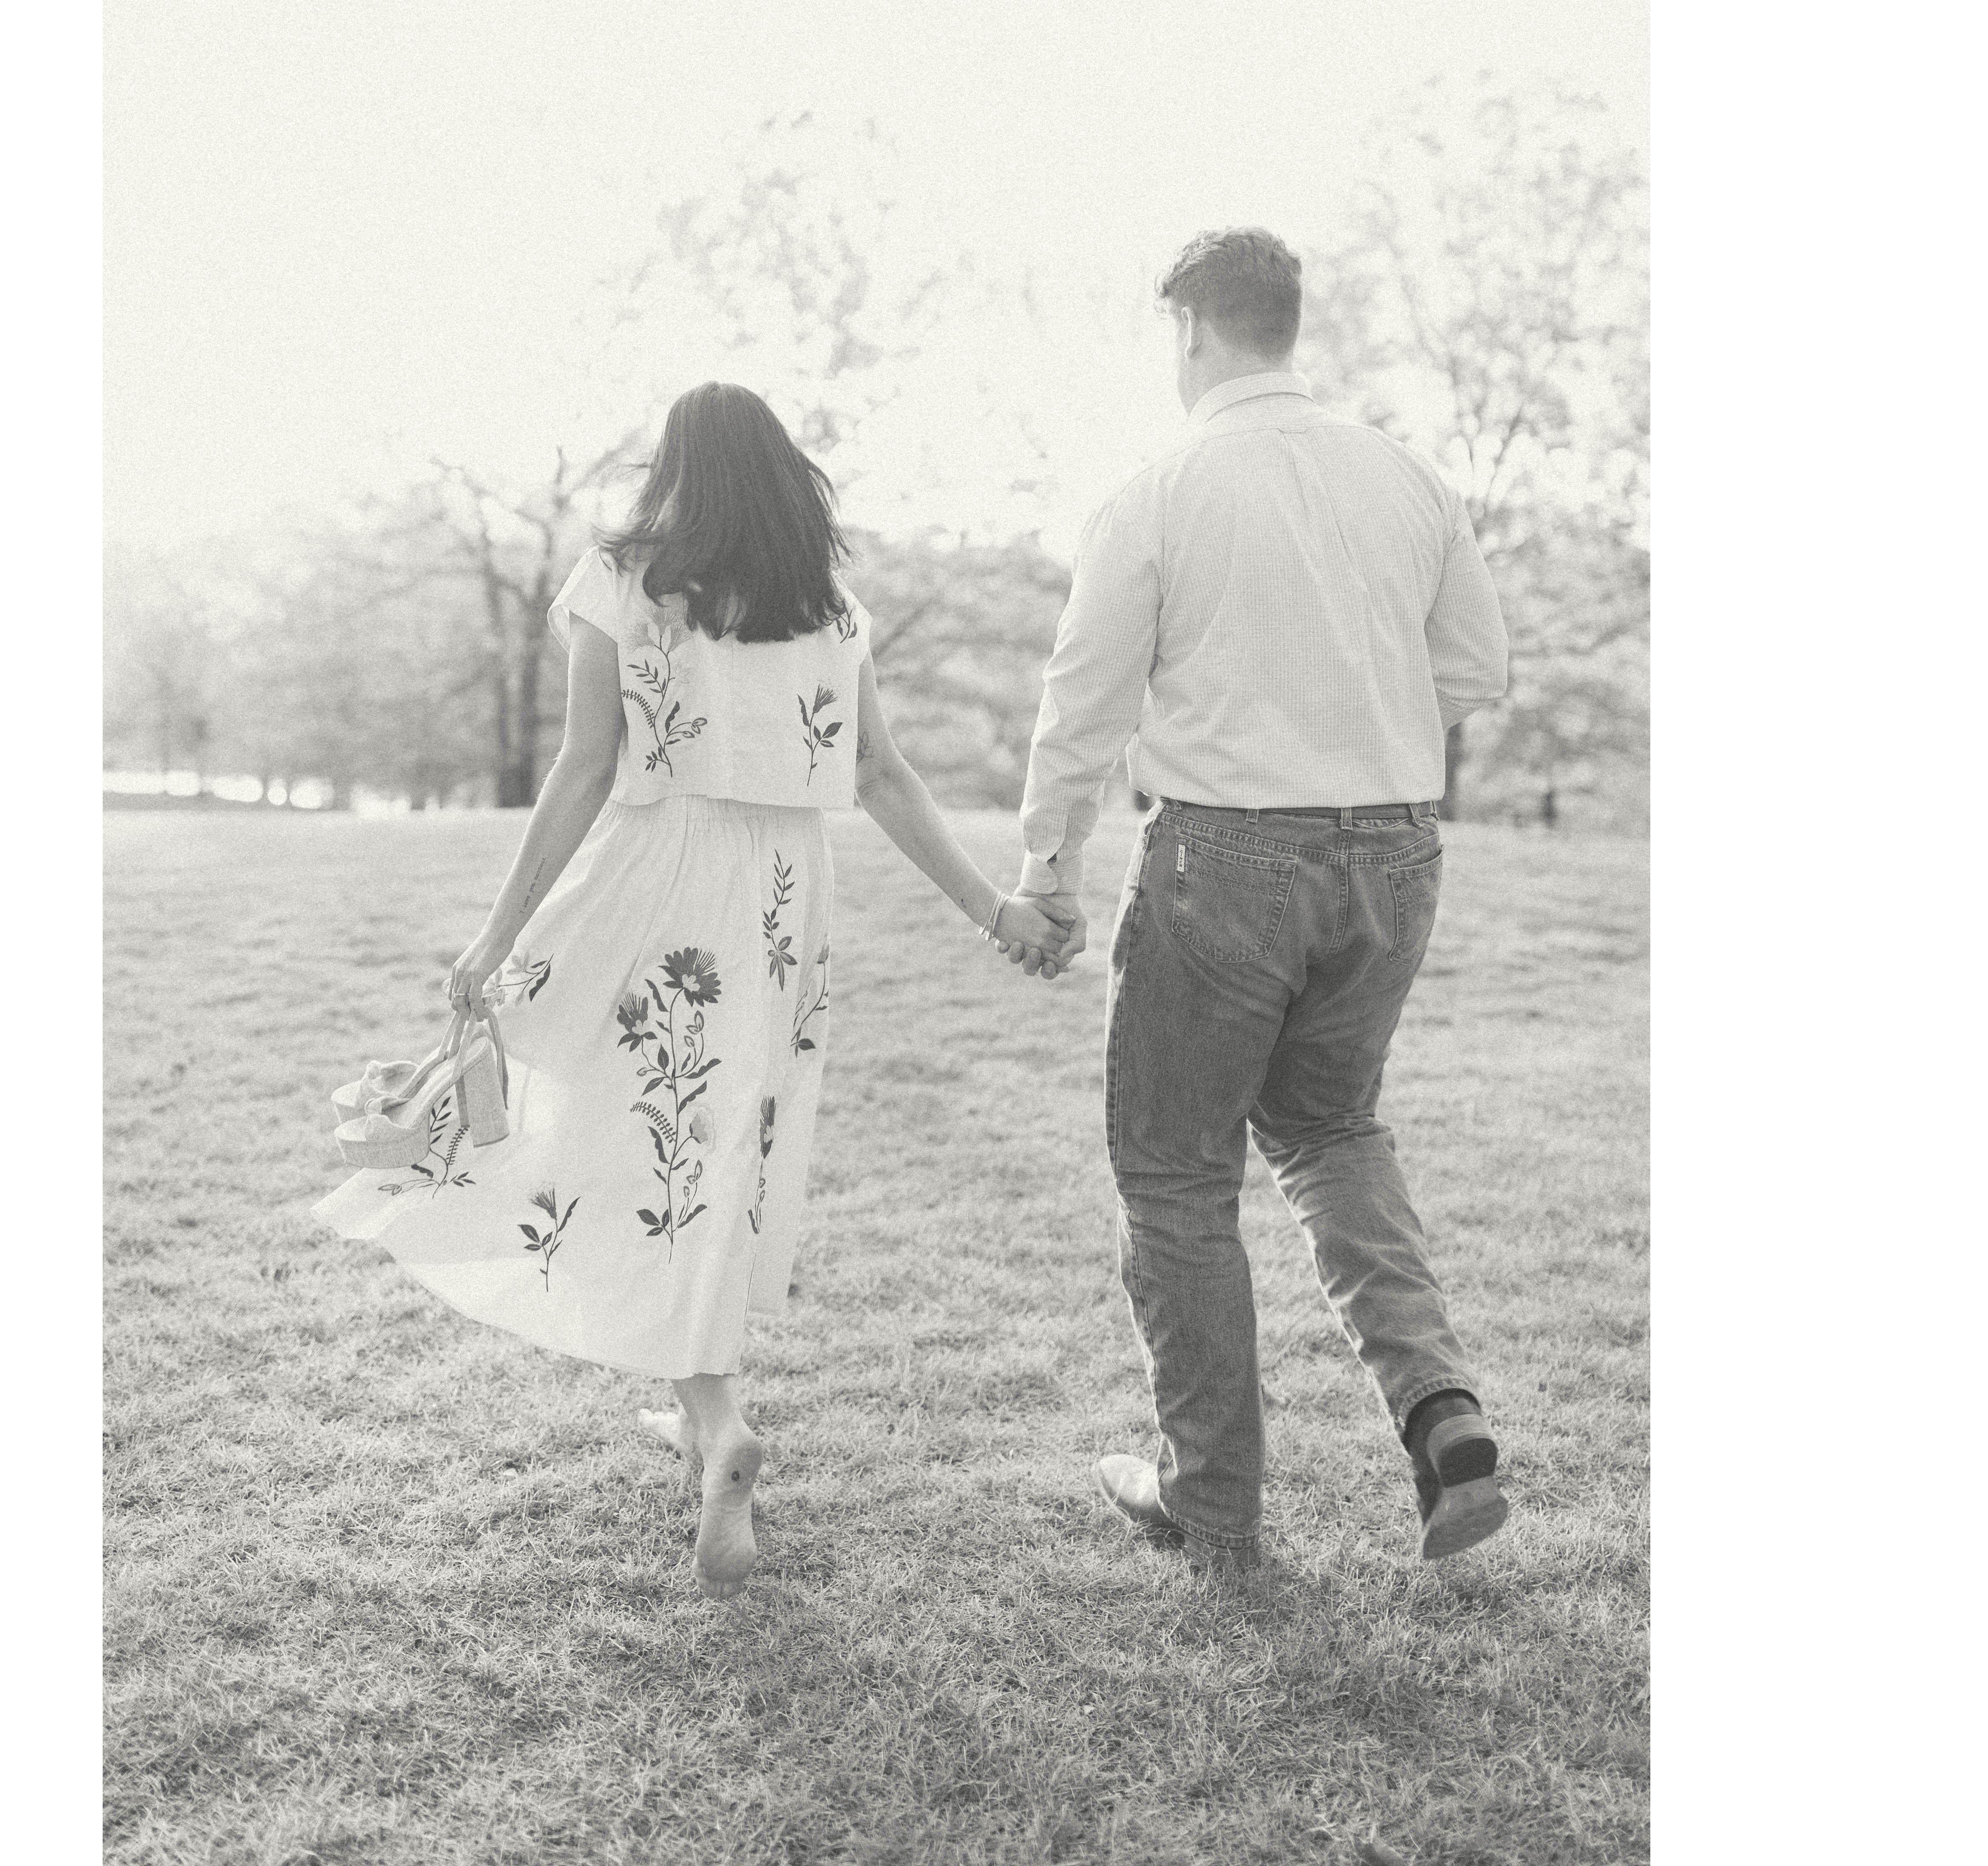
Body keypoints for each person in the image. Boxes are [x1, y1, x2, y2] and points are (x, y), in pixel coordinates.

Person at [313, 381, 1070, 1598]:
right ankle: (706, 1408)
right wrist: (995, 914)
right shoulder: (830, 611)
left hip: (653, 875)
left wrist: (497, 936)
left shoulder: (621, 581)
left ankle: (715, 1420)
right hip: (781, 902)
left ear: (675, 474)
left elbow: (583, 769)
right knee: (718, 1149)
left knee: (627, 1131)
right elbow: (882, 776)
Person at [1013, 227, 1512, 1577]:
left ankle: (1212, 1501)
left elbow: (1081, 708)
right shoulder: (1407, 476)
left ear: (1189, 328)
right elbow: (1477, 668)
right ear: (1288, 323)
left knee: (1177, 1172)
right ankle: (1441, 1411)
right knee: (1333, 1129)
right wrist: (1357, 719)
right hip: (1395, 852)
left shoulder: (1159, 491)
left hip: (1223, 859)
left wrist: (1047, 873)